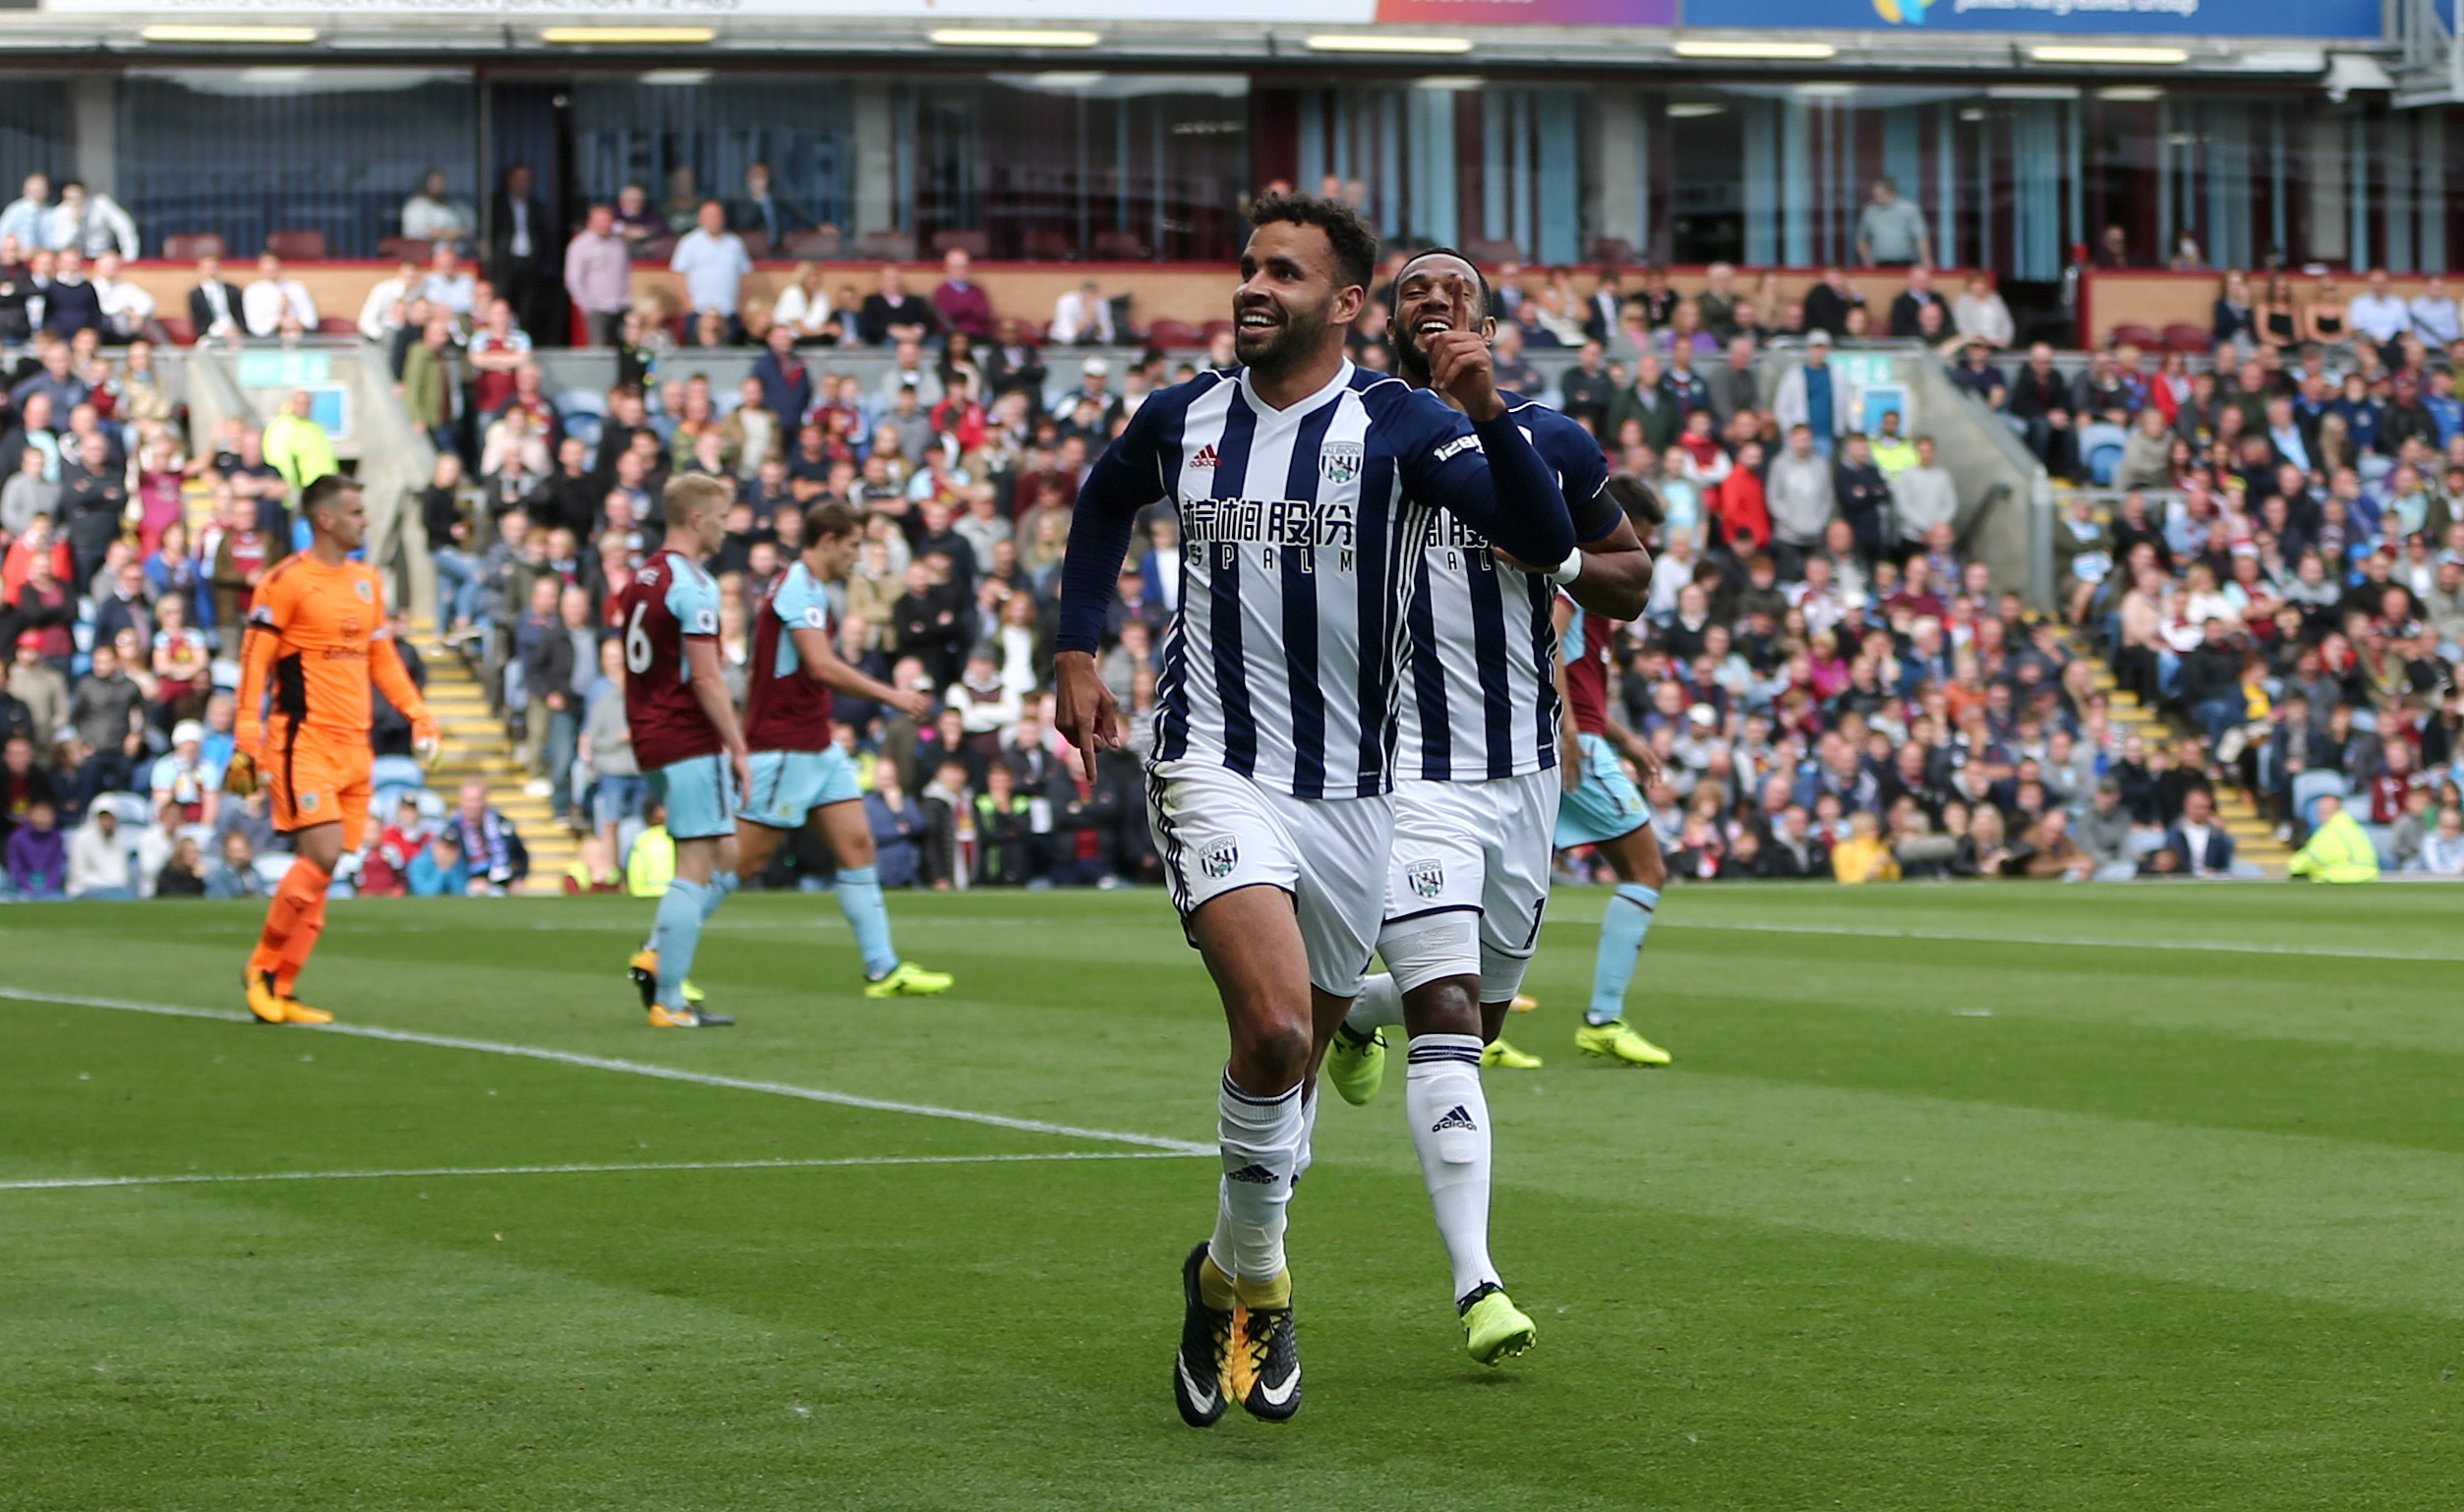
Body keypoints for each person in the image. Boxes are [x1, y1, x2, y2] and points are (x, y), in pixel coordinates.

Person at [1051, 193, 1577, 1427]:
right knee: (1281, 1033)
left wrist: (1487, 408)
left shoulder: (1402, 427)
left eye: (1281, 271)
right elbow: (1098, 500)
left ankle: (1228, 1274)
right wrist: (1077, 648)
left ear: (1345, 304)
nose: (1251, 286)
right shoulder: (1182, 416)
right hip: (1210, 759)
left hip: (1353, 793)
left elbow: (1546, 540)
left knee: (1285, 1073)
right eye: (1245, 266)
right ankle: (1268, 1277)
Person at [1316, 249, 1653, 1365]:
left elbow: (1630, 576)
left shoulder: (1551, 439)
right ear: (1389, 322)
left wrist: (1551, 556)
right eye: (1410, 288)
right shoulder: (1365, 430)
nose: (1431, 297)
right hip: (1414, 771)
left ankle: (1362, 1011)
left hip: (1522, 775)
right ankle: (1479, 1284)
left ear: (1485, 314)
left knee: (1480, 1010)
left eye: (1450, 286)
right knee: (1453, 1012)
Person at [225, 476, 439, 1023]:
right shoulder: (285, 581)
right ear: (326, 519)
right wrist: (246, 740)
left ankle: (284, 989)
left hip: (356, 746)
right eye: (356, 511)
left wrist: (417, 713)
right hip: (303, 741)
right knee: (318, 853)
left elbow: (381, 656)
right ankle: (261, 969)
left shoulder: (367, 580)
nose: (365, 520)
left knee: (326, 867)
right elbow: (255, 662)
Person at [731, 499, 954, 995]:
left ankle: (882, 967)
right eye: (853, 545)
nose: (857, 555)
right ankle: (662, 948)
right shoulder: (798, 587)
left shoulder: (808, 588)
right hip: (786, 743)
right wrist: (893, 694)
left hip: (816, 742)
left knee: (858, 845)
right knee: (744, 863)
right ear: (827, 541)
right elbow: (822, 666)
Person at [616, 474, 753, 1028]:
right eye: (721, 516)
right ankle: (668, 999)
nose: (727, 526)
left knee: (724, 855)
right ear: (697, 518)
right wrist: (738, 747)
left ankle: (657, 953)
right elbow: (706, 677)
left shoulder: (640, 577)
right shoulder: (693, 584)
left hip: (649, 735)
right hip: (686, 736)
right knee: (697, 864)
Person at [670, 202, 752, 339]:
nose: (714, 220)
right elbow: (679, 274)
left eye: (717, 216)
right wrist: (688, 305)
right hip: (698, 311)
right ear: (700, 219)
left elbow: (744, 274)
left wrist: (740, 303)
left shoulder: (735, 244)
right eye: (709, 216)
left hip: (728, 311)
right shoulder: (689, 243)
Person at [564, 203, 630, 348]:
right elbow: (573, 279)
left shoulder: (618, 243)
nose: (605, 225)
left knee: (624, 348)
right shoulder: (580, 245)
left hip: (620, 306)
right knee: (598, 348)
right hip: (596, 307)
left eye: (608, 221)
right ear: (591, 222)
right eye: (601, 221)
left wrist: (627, 299)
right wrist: (586, 305)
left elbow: (624, 272)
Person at [2286, 792, 2379, 882]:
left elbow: (2308, 860)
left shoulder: (2329, 832)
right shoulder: (2354, 828)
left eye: (2322, 812)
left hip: (2344, 879)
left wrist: (2292, 866)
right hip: (2369, 877)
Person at [1853, 177, 1930, 267]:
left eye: (1880, 194)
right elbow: (1861, 240)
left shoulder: (1909, 209)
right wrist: (1867, 262)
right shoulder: (1869, 212)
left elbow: (1921, 237)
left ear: (1891, 192)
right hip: (1878, 265)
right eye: (1874, 195)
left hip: (1906, 263)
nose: (1876, 198)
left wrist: (1926, 261)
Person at [240, 252, 316, 340]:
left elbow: (310, 320)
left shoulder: (297, 288)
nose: (271, 273)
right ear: (260, 270)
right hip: (268, 340)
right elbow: (255, 326)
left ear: (281, 268)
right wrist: (278, 321)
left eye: (274, 269)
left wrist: (295, 324)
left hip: (300, 335)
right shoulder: (252, 291)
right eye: (267, 270)